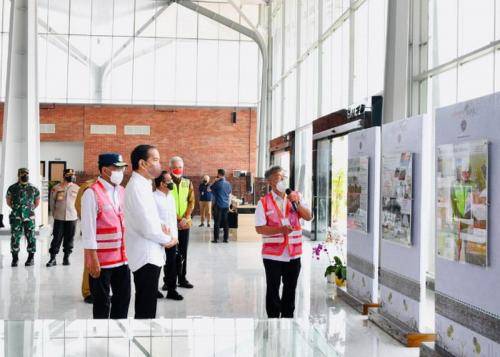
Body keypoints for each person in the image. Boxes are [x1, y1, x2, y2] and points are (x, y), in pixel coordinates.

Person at [125, 145, 178, 319]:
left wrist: (161, 226)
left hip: (150, 252)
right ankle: (143, 342)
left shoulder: (144, 184)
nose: (159, 164)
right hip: (145, 256)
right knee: (146, 309)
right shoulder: (136, 187)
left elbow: (151, 218)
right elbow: (146, 225)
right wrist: (167, 239)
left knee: (147, 305)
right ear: (142, 163)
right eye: (155, 160)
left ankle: (144, 339)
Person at [255, 165, 313, 318]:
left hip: (293, 255)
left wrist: (297, 202)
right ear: (270, 181)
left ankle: (288, 320)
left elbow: (308, 216)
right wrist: (280, 229)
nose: (283, 180)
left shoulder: (295, 197)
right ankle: (273, 321)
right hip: (272, 256)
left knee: (290, 289)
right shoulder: (263, 202)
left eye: (284, 176)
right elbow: (260, 228)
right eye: (279, 177)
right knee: (273, 289)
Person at [81, 153, 130, 319]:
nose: (121, 172)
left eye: (122, 168)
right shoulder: (92, 193)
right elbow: (88, 229)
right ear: (104, 170)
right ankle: (100, 338)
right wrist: (92, 259)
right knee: (102, 303)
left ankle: (119, 333)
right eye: (117, 168)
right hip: (101, 261)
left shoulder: (122, 191)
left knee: (123, 299)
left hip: (123, 259)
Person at [154, 171, 183, 301]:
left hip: (172, 238)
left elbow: (172, 218)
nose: (171, 182)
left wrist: (175, 237)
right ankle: (153, 290)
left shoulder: (170, 197)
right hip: (158, 240)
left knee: (172, 265)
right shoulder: (153, 197)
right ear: (161, 183)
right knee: (156, 266)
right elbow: (152, 218)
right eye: (169, 180)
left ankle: (172, 290)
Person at [169, 156, 195, 289]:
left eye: (180, 167)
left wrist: (186, 217)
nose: (178, 169)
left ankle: (182, 278)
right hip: (171, 223)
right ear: (170, 168)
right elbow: (164, 203)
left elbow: (191, 201)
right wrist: (178, 219)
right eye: (175, 167)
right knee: (170, 253)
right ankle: (169, 281)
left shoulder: (188, 182)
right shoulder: (166, 182)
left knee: (183, 252)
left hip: (185, 223)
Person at [6, 168, 40, 267]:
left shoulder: (34, 188)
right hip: (16, 217)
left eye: (27, 173)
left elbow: (36, 202)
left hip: (29, 217)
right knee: (15, 237)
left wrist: (28, 210)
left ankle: (31, 258)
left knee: (31, 237)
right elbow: (8, 201)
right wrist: (17, 209)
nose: (25, 175)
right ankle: (15, 258)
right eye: (23, 174)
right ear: (19, 175)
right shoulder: (12, 188)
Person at [46, 169, 79, 267]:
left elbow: (79, 203)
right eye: (70, 175)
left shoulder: (77, 188)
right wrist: (54, 214)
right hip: (59, 217)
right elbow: (52, 202)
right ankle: (52, 258)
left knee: (69, 238)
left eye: (73, 175)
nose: (72, 176)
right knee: (56, 238)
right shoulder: (56, 188)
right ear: (64, 175)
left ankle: (66, 257)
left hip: (72, 217)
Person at [76, 178, 97, 304]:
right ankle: (88, 291)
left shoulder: (116, 187)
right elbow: (78, 205)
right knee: (90, 262)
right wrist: (87, 222)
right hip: (93, 232)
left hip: (110, 237)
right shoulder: (88, 186)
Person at [210, 169, 232, 243]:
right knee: (226, 223)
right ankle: (226, 239)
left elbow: (208, 189)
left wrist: (214, 181)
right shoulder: (228, 184)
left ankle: (216, 239)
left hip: (218, 205)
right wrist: (229, 205)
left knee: (217, 222)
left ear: (219, 174)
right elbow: (229, 195)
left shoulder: (217, 184)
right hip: (226, 206)